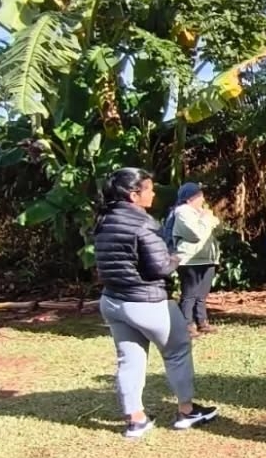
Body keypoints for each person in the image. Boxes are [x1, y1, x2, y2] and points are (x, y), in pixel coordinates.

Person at [93, 168, 217, 440]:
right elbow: (160, 267)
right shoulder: (143, 223)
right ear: (133, 195)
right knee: (177, 352)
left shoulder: (103, 220)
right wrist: (177, 257)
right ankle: (187, 412)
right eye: (148, 189)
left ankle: (135, 420)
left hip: (113, 301)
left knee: (129, 360)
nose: (153, 194)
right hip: (147, 302)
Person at [164, 182, 221, 335]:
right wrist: (207, 219)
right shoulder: (182, 212)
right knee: (189, 294)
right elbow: (195, 234)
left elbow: (217, 229)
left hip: (207, 258)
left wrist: (208, 218)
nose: (203, 199)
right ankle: (186, 325)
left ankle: (202, 322)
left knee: (202, 294)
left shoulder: (201, 212)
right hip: (190, 259)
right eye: (199, 196)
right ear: (189, 198)